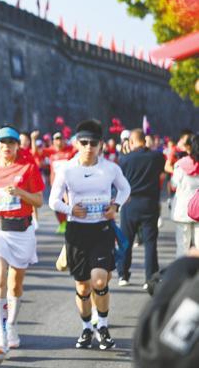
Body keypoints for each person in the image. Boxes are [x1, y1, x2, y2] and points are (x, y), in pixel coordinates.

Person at [49, 119, 131, 350]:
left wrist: (116, 206)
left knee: (99, 280)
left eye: (93, 143)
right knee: (83, 287)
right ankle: (86, 328)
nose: (88, 147)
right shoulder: (67, 169)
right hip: (77, 231)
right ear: (76, 143)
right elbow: (53, 200)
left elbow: (125, 188)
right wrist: (70, 210)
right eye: (84, 142)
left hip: (101, 229)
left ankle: (102, 327)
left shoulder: (110, 168)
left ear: (101, 144)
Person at [0, 125, 44, 354]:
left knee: (15, 284)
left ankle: (12, 325)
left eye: (11, 142)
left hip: (22, 230)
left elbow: (38, 201)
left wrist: (20, 193)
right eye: (2, 142)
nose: (6, 146)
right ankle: (0, 335)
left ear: (17, 146)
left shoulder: (28, 167)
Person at [117, 129, 165, 288]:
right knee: (150, 243)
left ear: (131, 142)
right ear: (145, 140)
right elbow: (161, 172)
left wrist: (125, 154)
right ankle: (150, 278)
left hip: (130, 202)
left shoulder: (124, 159)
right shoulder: (157, 157)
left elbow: (120, 180)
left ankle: (123, 274)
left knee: (126, 240)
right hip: (149, 203)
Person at [33, 131, 75, 234]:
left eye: (61, 139)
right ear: (53, 141)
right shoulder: (50, 151)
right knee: (56, 204)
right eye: (57, 139)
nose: (59, 141)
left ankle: (71, 224)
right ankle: (62, 223)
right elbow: (35, 153)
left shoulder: (70, 150)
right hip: (56, 184)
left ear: (64, 140)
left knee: (70, 204)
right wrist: (33, 139)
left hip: (70, 184)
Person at [170, 133, 198, 256]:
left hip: (183, 209)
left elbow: (174, 184)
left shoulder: (180, 165)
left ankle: (182, 267)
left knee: (182, 245)